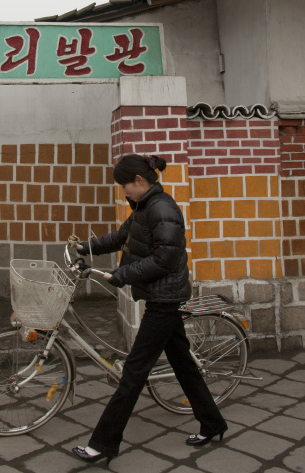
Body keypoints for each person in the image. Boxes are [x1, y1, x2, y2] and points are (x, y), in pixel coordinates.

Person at [69, 153, 227, 465]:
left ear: (140, 181)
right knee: (183, 365)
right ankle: (213, 424)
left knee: (134, 372)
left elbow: (165, 260)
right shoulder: (145, 206)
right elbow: (122, 236)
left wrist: (122, 275)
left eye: (124, 185)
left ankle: (103, 444)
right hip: (159, 297)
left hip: (164, 300)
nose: (123, 191)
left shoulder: (162, 208)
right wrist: (85, 247)